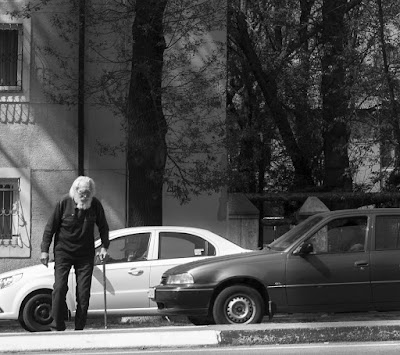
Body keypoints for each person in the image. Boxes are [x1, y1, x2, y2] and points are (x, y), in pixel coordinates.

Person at [40, 176, 110, 331]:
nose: (85, 197)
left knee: (83, 293)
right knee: (59, 288)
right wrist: (44, 250)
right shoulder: (64, 203)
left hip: (85, 255)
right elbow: (50, 228)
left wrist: (104, 247)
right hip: (63, 252)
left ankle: (79, 327)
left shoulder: (95, 205)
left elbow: (104, 227)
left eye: (88, 193)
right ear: (75, 191)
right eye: (82, 193)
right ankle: (58, 324)